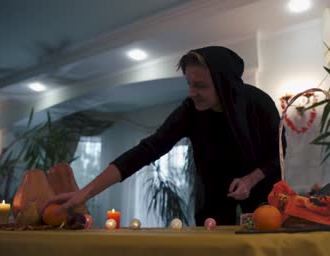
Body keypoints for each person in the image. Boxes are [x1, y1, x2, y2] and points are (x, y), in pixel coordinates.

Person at [48, 46, 287, 225]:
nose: (192, 93)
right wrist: (84, 193)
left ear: (225, 84)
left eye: (200, 85)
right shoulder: (189, 111)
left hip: (265, 196)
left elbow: (280, 153)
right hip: (212, 198)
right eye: (189, 84)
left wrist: (250, 179)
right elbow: (147, 149)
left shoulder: (258, 103)